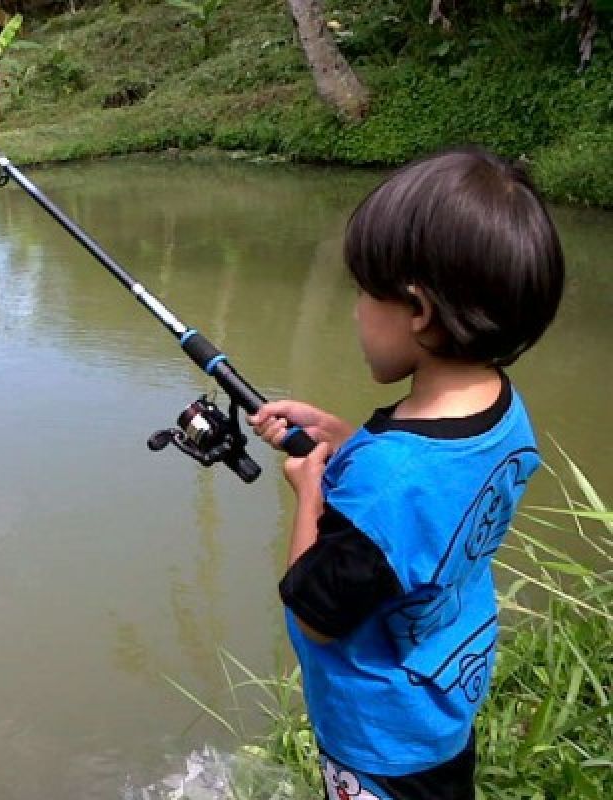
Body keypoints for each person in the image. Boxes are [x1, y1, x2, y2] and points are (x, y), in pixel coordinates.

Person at [248, 146, 566, 800]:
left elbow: (316, 615)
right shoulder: (504, 411)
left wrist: (310, 491)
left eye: (366, 292)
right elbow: (432, 491)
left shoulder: (390, 484)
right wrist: (345, 440)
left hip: (378, 748)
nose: (357, 310)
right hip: (446, 699)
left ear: (418, 312)